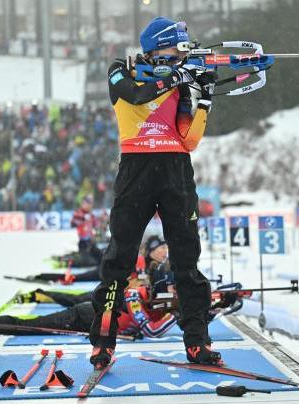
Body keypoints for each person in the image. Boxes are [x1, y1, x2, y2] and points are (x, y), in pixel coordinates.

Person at [88, 16, 220, 369]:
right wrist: (178, 76)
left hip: (176, 170)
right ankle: (103, 342)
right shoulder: (123, 70)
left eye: (182, 51)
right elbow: (136, 94)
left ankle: (197, 343)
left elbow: (187, 137)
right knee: (119, 259)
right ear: (156, 48)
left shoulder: (177, 82)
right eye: (176, 49)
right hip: (137, 169)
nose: (181, 56)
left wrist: (204, 98)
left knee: (186, 261)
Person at [0, 270, 178, 340]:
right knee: (23, 327)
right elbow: (150, 330)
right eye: (173, 290)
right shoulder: (137, 295)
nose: (174, 294)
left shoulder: (160, 308)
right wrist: (180, 312)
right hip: (81, 318)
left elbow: (158, 328)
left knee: (24, 326)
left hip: (89, 320)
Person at [70, 195, 103, 266]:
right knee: (89, 262)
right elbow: (73, 223)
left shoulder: (91, 214)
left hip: (91, 242)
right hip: (83, 243)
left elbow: (97, 224)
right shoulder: (78, 213)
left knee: (101, 259)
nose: (90, 206)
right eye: (87, 203)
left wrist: (102, 220)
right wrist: (83, 219)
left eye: (90, 204)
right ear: (83, 204)